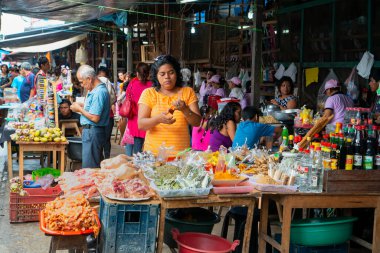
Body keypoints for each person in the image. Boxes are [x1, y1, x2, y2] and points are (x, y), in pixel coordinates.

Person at [138, 55, 201, 156]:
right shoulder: (149, 93)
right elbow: (141, 124)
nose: (167, 77)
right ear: (156, 76)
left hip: (181, 156)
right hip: (154, 155)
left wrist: (185, 109)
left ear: (177, 73)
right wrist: (158, 119)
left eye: (171, 72)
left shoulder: (187, 92)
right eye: (162, 74)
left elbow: (197, 122)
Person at [70, 65, 110, 168]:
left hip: (93, 131)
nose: (82, 85)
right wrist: (81, 106)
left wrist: (79, 110)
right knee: (92, 164)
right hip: (92, 132)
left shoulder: (99, 92)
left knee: (90, 168)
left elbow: (95, 118)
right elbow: (93, 109)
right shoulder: (96, 90)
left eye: (81, 82)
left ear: (89, 79)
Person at [125, 63, 152, 156]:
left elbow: (127, 98)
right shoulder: (152, 86)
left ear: (137, 73)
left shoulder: (132, 83)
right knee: (150, 146)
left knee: (137, 146)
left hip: (135, 119)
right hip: (150, 119)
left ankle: (137, 166)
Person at [97, 66, 117, 159]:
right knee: (104, 138)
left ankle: (105, 157)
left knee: (104, 138)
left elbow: (113, 99)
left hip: (104, 116)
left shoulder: (98, 84)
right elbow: (113, 99)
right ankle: (103, 158)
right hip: (105, 116)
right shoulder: (109, 84)